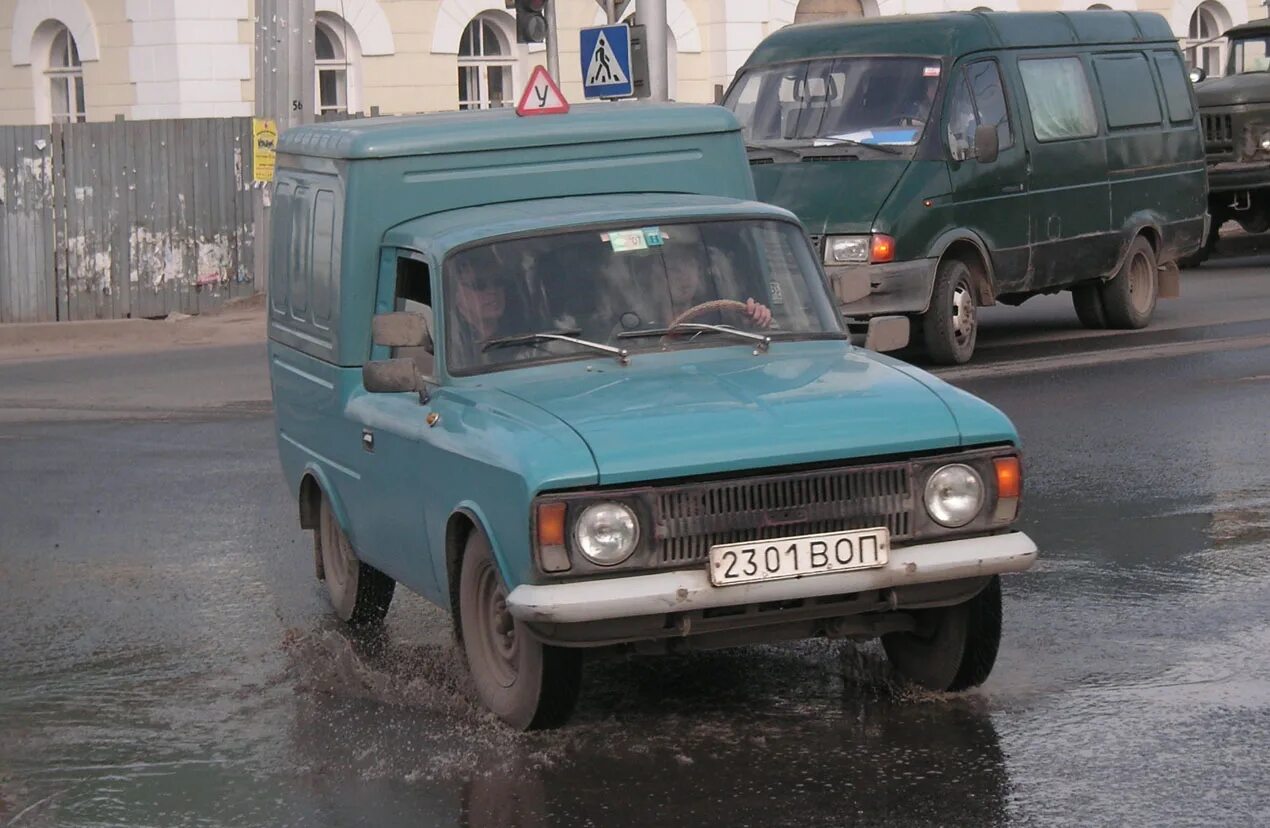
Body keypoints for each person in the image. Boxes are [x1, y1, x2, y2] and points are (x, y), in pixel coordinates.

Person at [663, 247, 772, 329]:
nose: (685, 276)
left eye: (691, 265)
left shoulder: (717, 318)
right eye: (673, 269)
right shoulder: (647, 326)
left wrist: (758, 318)